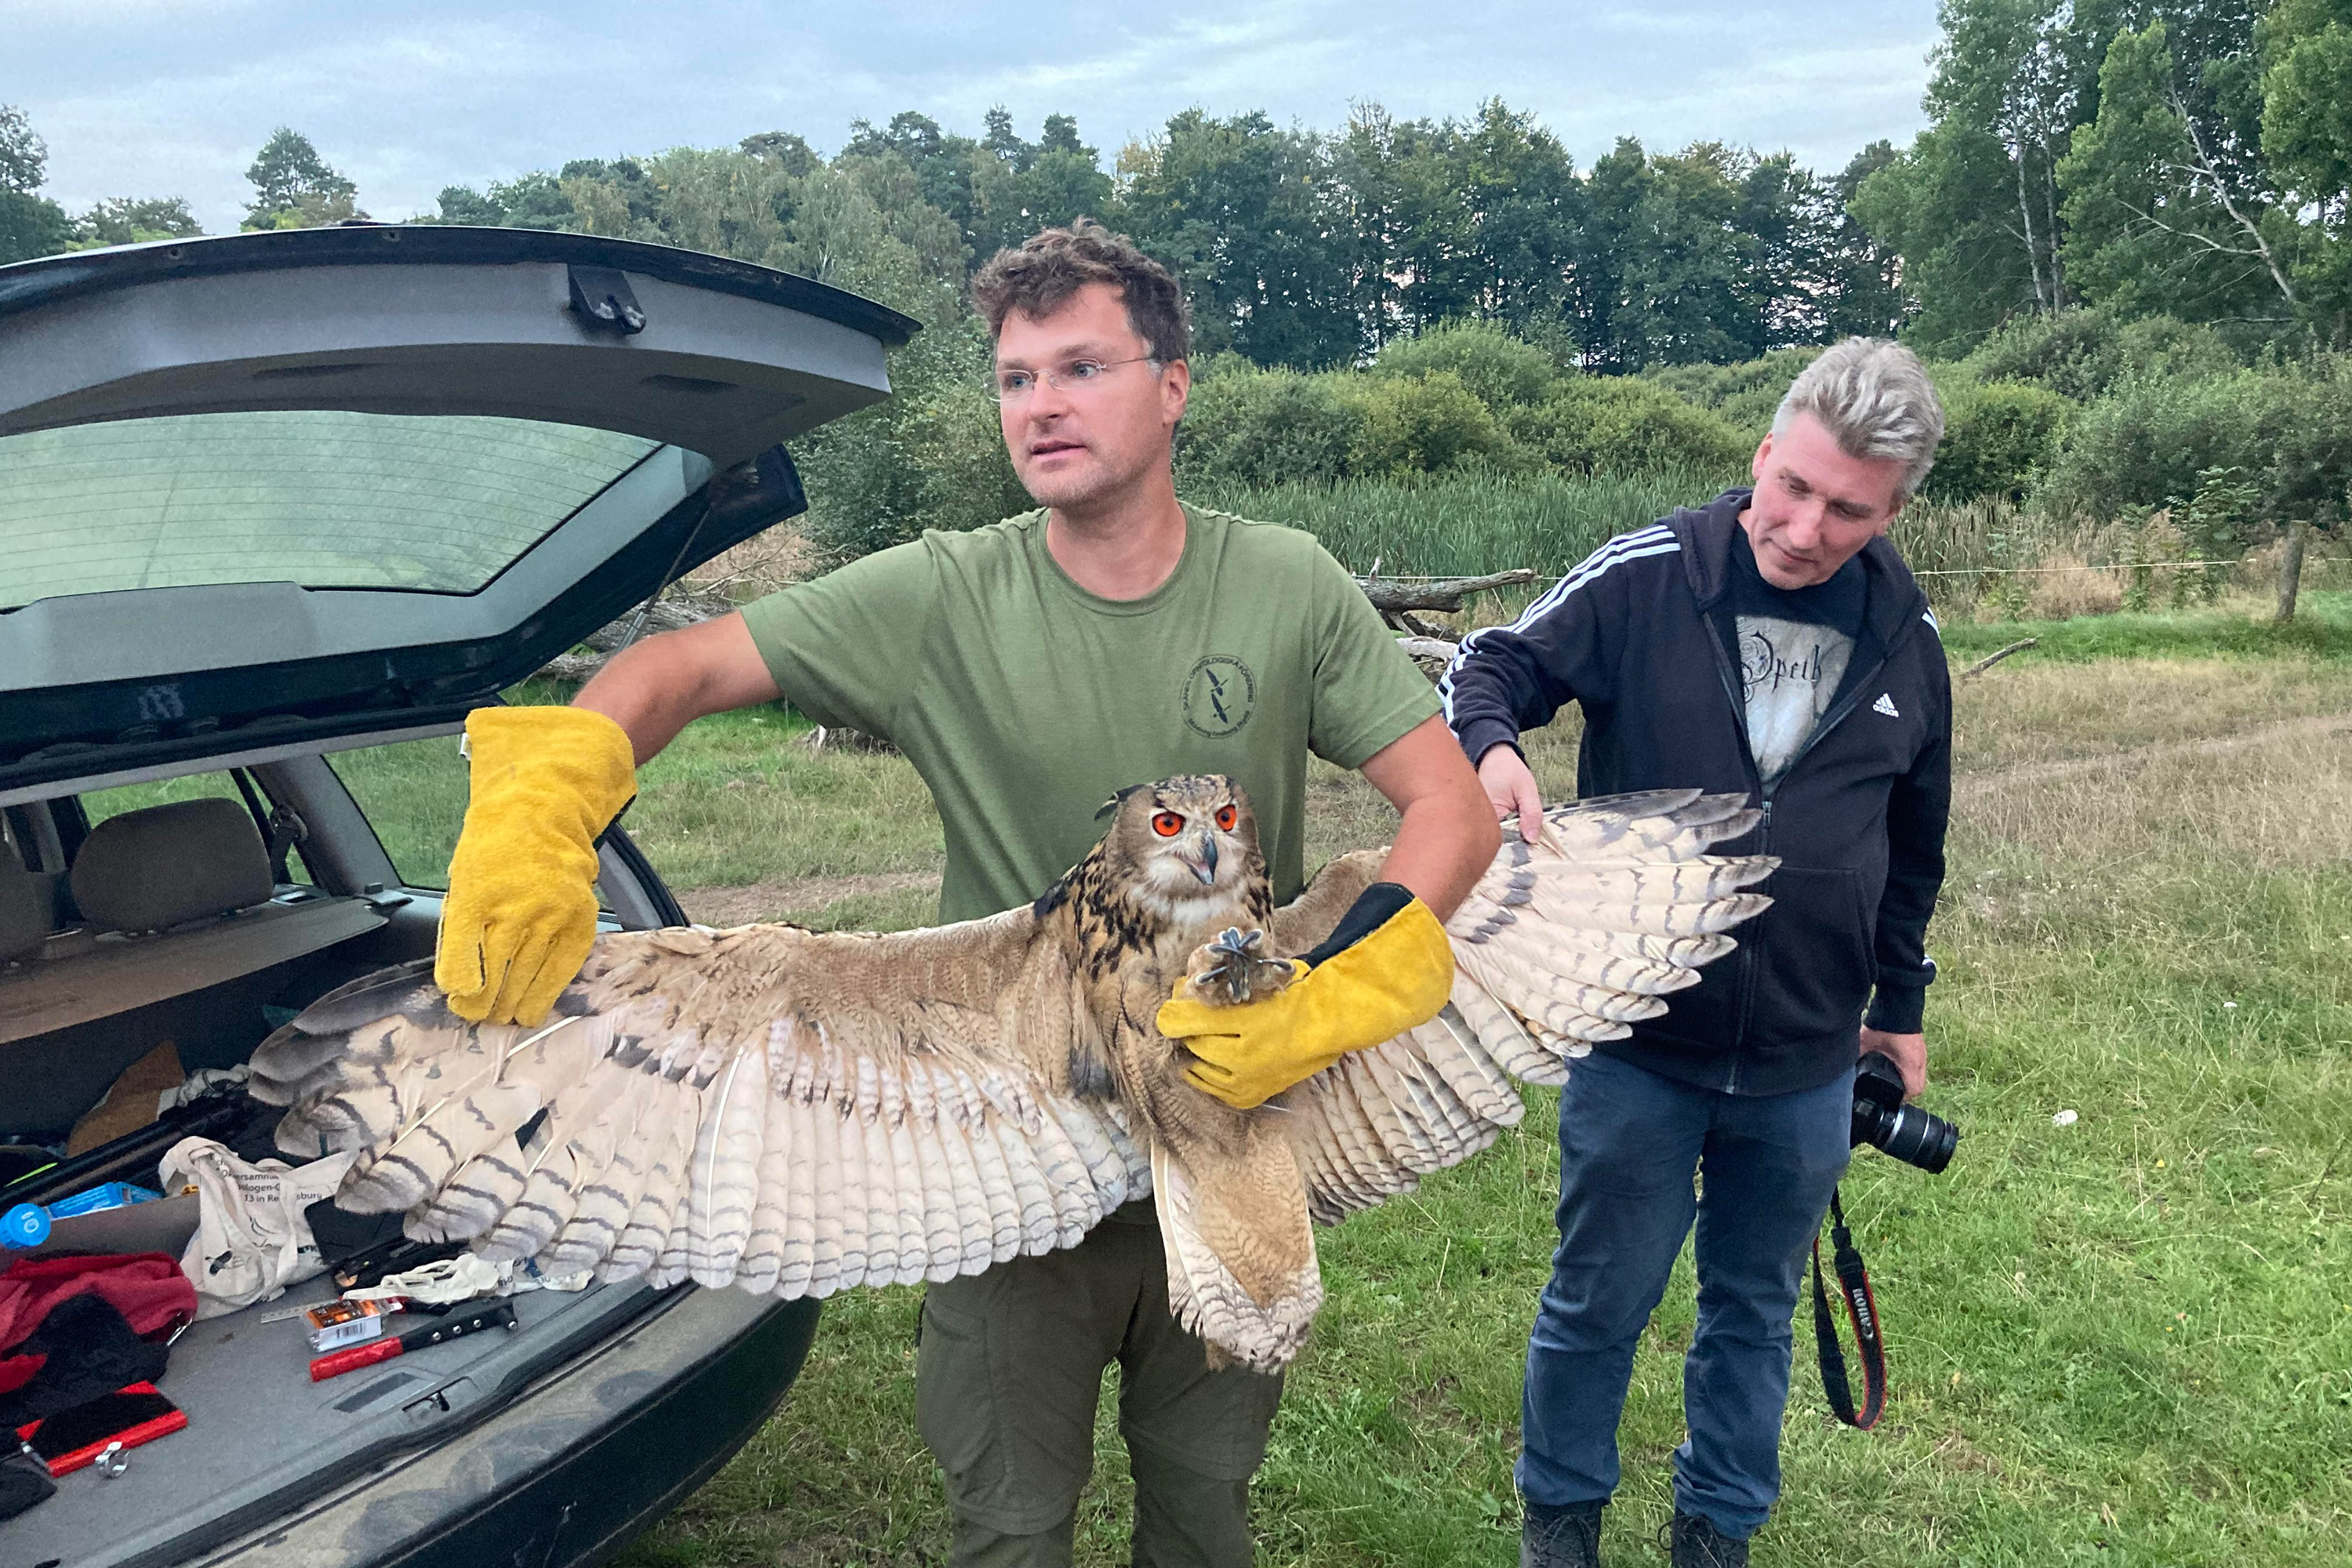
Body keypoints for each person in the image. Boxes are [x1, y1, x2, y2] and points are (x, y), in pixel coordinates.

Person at [427, 220, 1501, 1568]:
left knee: (1205, 1517)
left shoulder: (1283, 583)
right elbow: (682, 668)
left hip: (1227, 1145)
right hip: (995, 1144)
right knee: (1009, 1527)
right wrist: (548, 796)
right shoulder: (944, 594)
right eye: (1014, 378)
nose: (1041, 405)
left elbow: (1451, 809)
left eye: (1080, 368)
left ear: (1172, 386)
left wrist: (1340, 988)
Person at [1442, 339, 1952, 1568]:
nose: (1807, 527)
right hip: (1638, 1038)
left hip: (1809, 1060)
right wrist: (1493, 750)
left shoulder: (1906, 639)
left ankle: (1713, 1534)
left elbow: (1913, 844)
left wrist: (1899, 1003)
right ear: (1764, 454)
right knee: (1597, 1303)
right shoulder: (1653, 575)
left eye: (1849, 509)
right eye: (1796, 488)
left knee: (1754, 1313)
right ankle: (1559, 1527)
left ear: (1892, 510)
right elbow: (1491, 664)